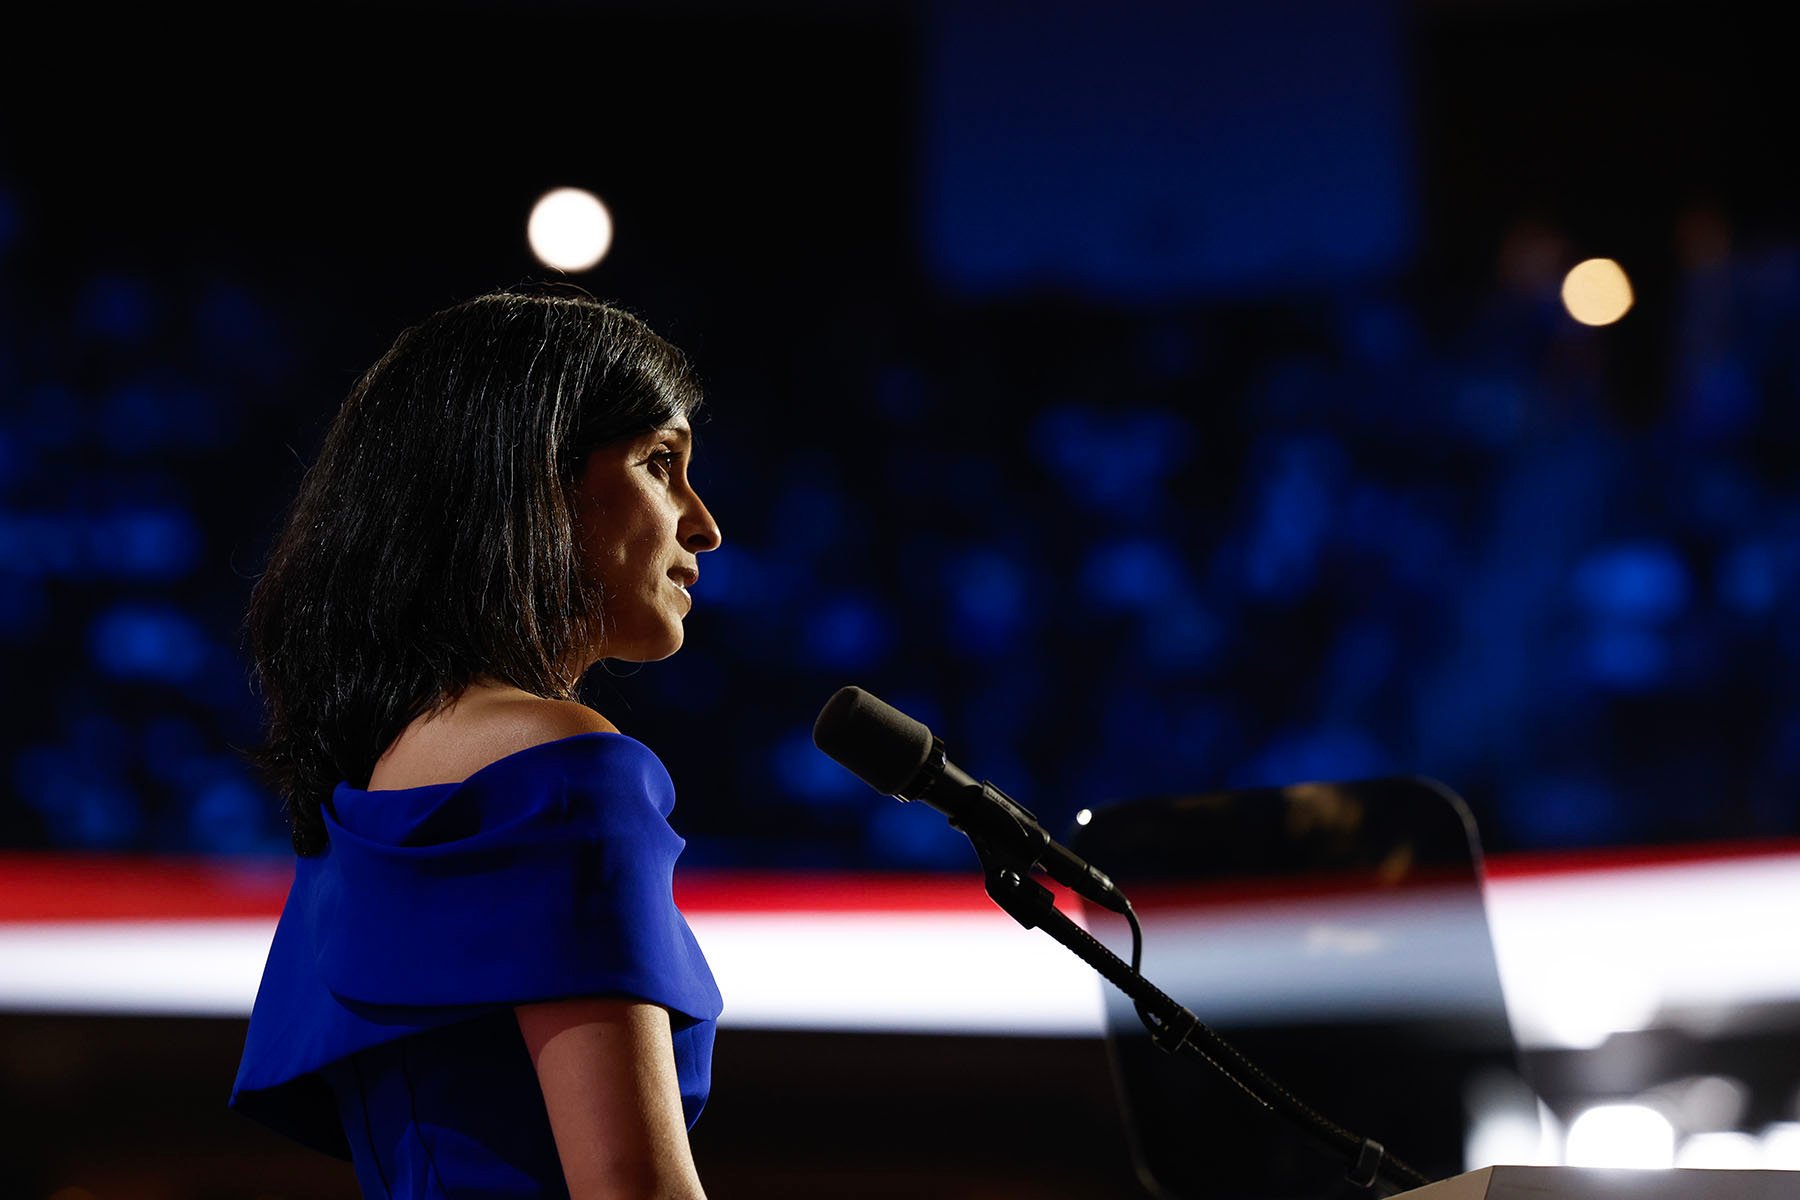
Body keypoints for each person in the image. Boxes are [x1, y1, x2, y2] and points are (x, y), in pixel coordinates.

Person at [228, 287, 724, 1199]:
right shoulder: (561, 772)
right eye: (662, 462)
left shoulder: (382, 777)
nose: (702, 523)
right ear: (536, 476)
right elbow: (633, 1185)